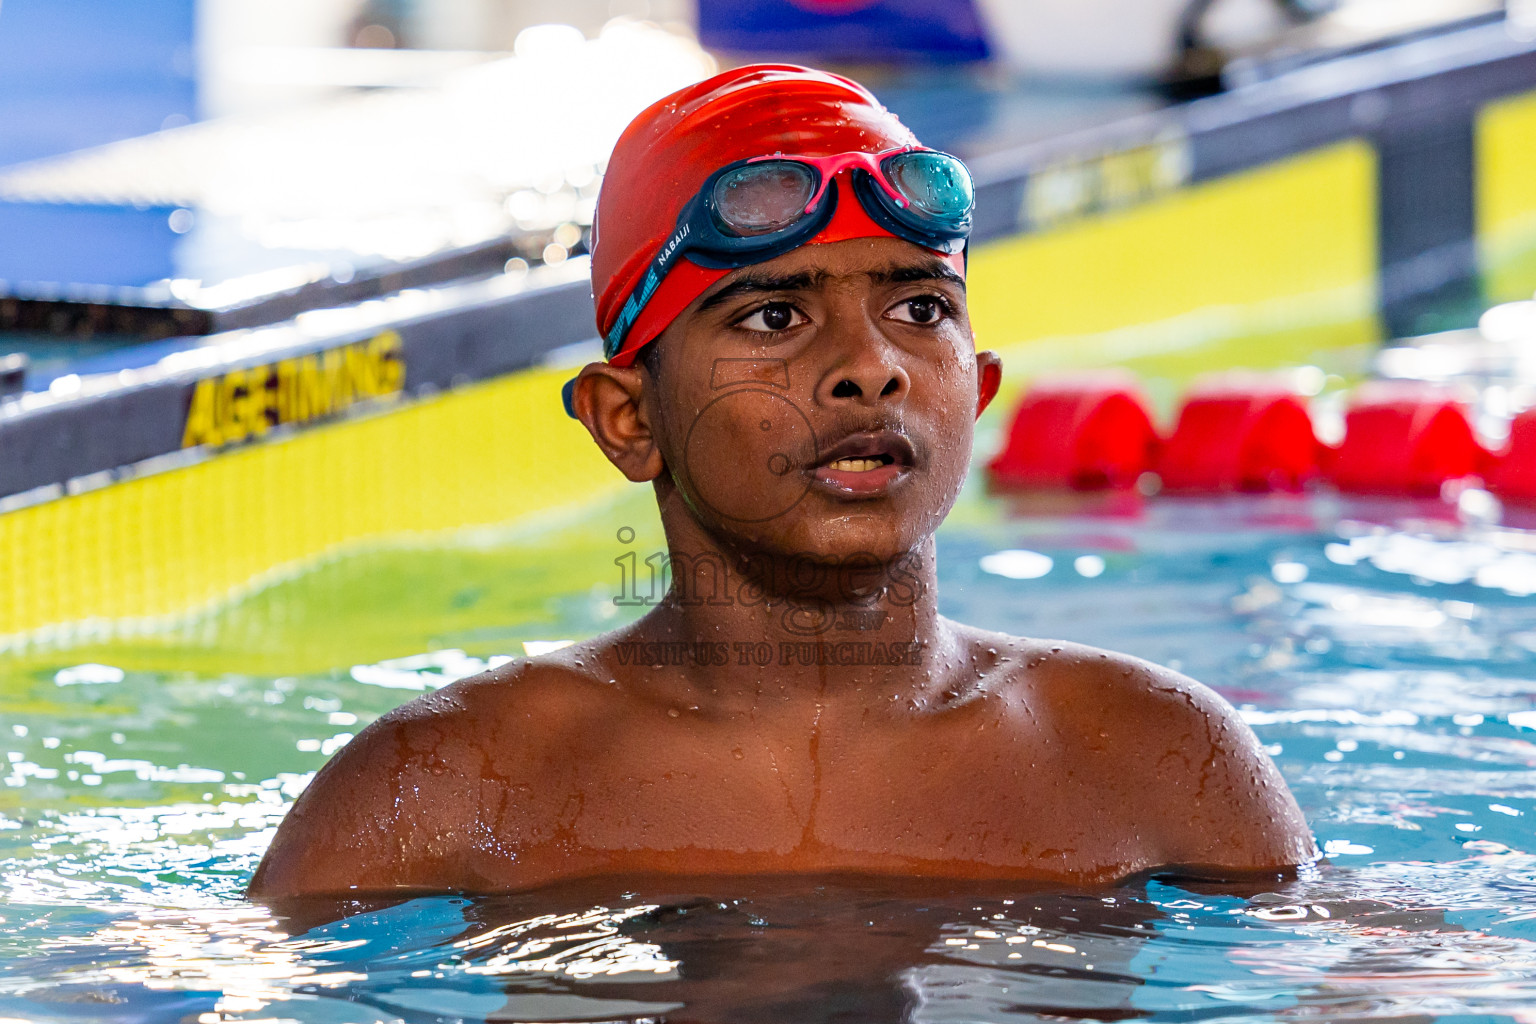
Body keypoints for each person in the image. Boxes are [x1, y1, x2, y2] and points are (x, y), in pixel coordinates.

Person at [248, 64, 1316, 899]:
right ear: (630, 421)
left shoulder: (1149, 755)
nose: (872, 364)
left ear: (977, 392)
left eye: (919, 308)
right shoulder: (449, 786)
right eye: (774, 316)